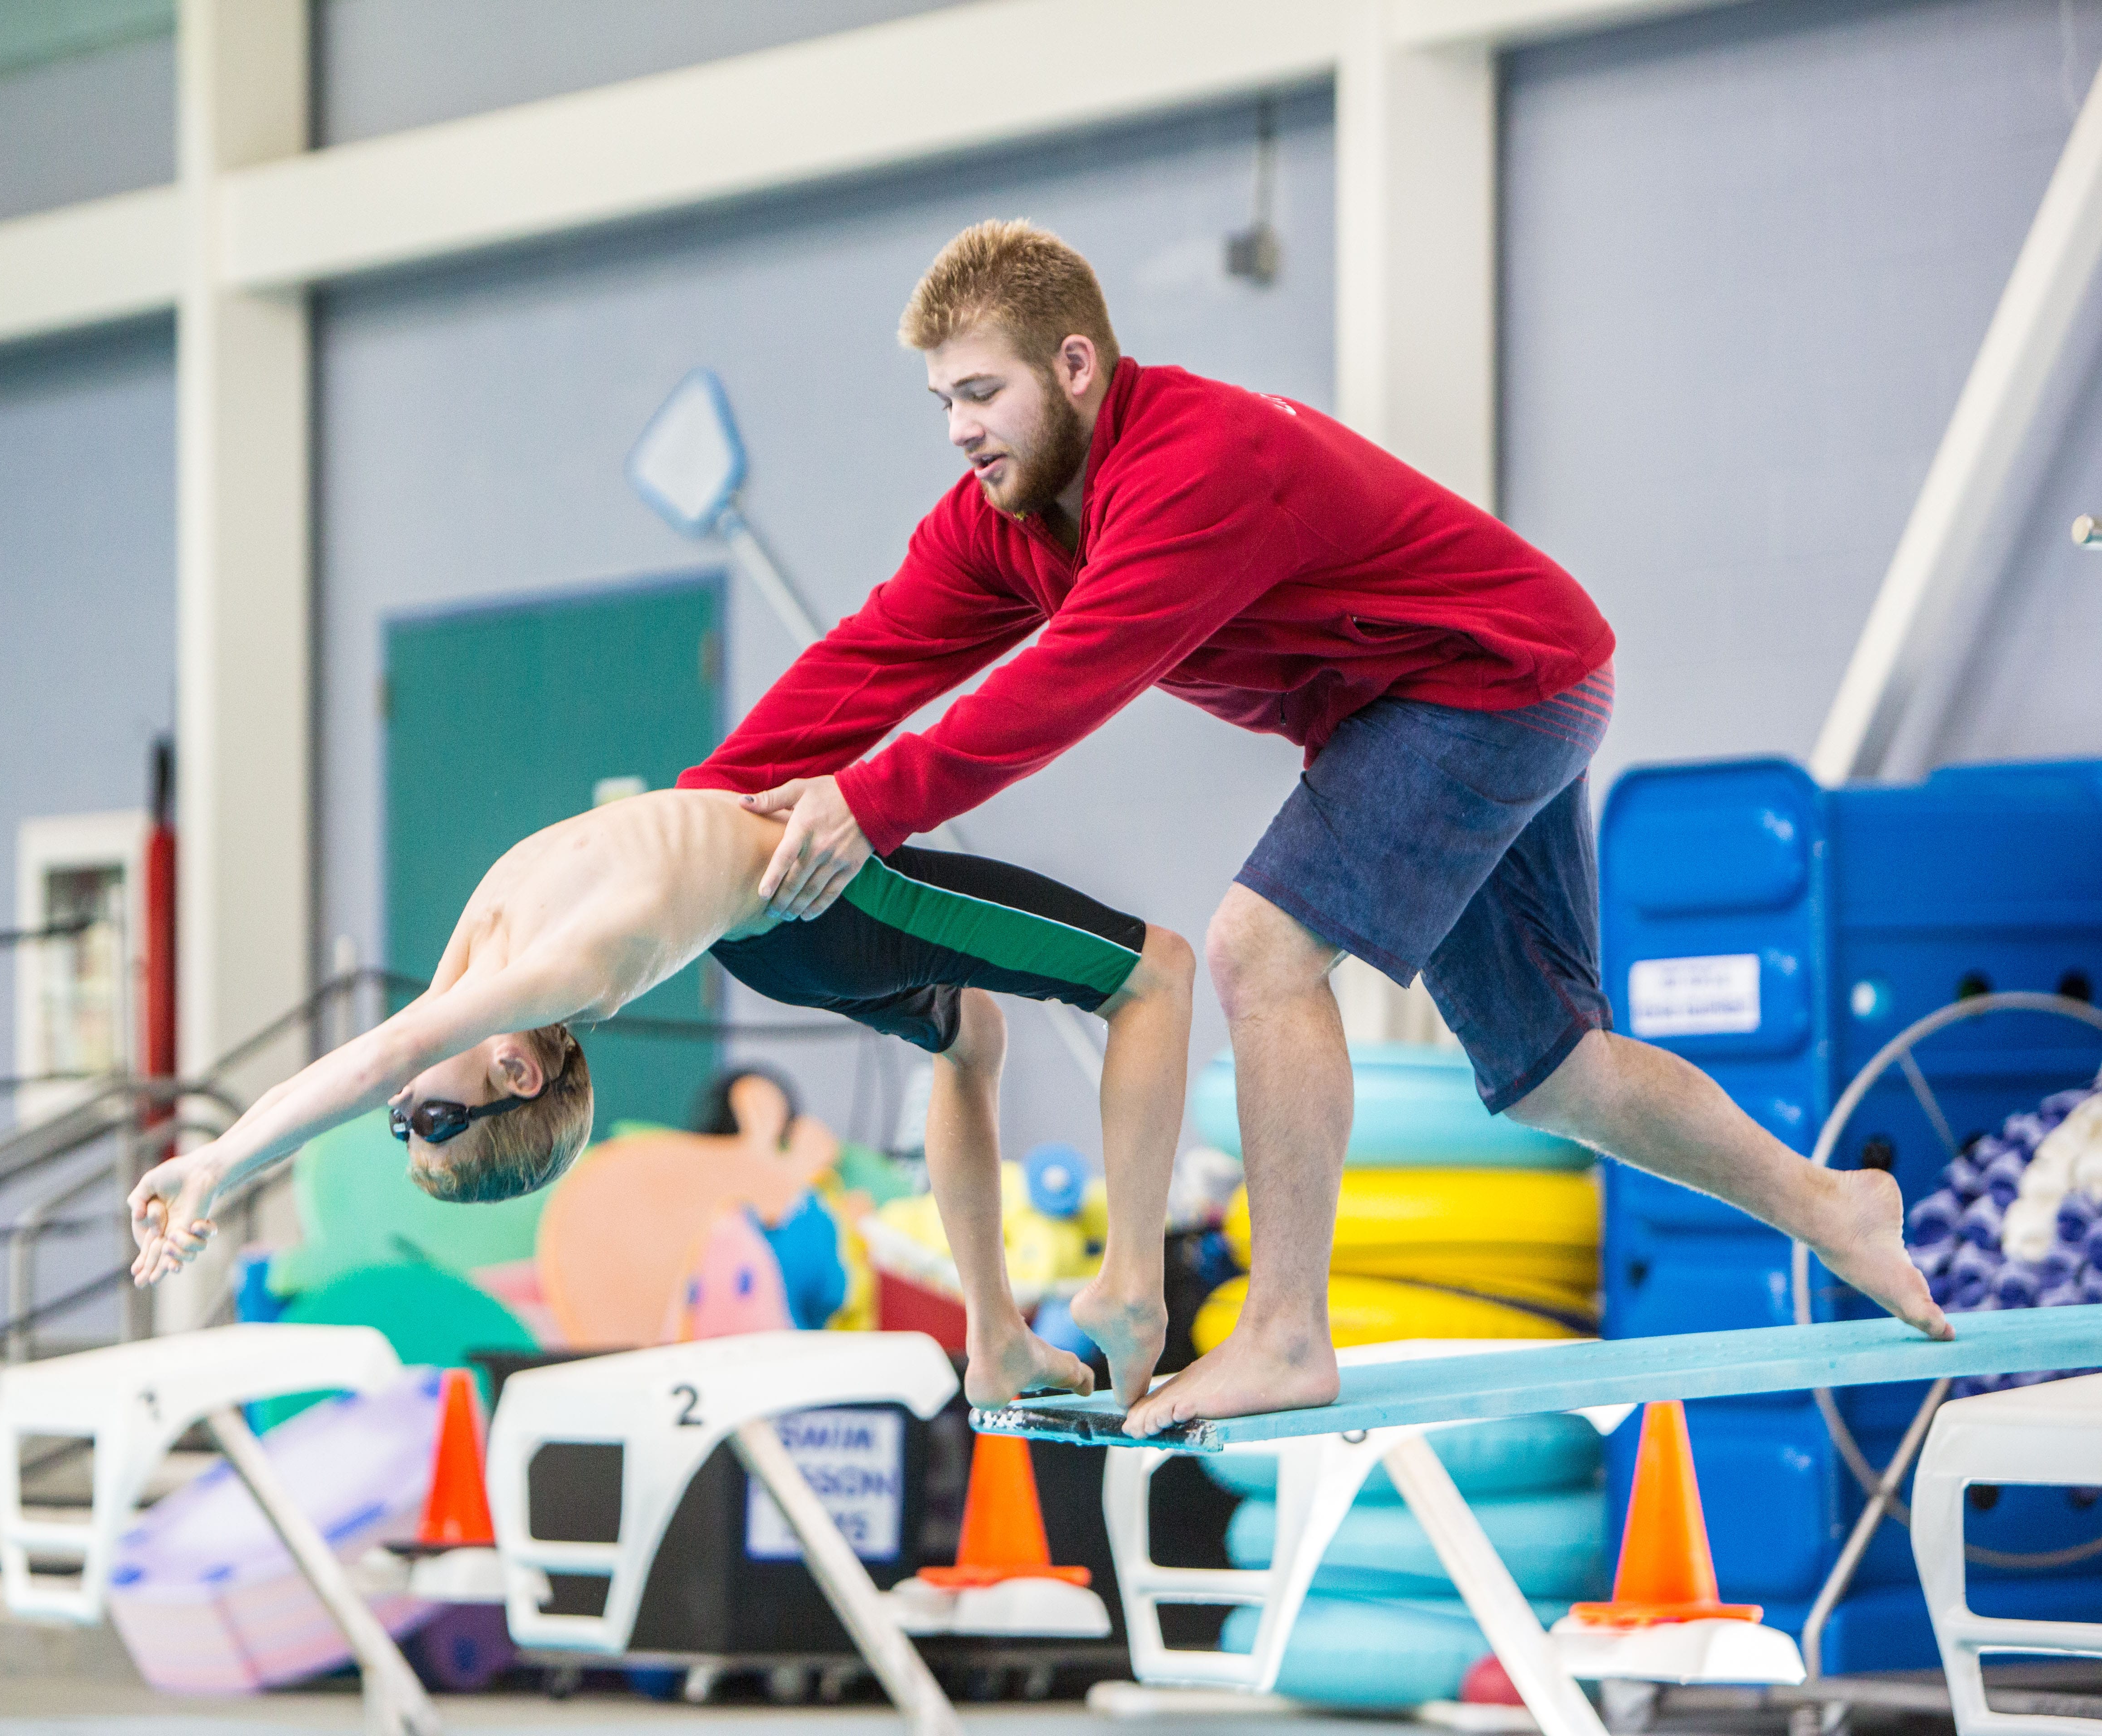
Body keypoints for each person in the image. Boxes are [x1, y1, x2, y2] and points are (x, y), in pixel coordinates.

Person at [677, 218, 1951, 1436]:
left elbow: (1069, 684)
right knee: (1554, 1074)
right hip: (1451, 700)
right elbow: (874, 655)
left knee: (1258, 949)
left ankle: (1286, 1329)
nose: (959, 431)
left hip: (1490, 682)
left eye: (981, 394)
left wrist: (874, 800)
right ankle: (1836, 1207)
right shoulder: (1007, 521)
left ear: (1077, 366)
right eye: (941, 403)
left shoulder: (1192, 470)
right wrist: (694, 819)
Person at [125, 785, 1194, 1408]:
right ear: (515, 1076)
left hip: (767, 938)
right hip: (819, 905)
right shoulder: (561, 974)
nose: (401, 1103)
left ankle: (997, 1340)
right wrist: (217, 1164)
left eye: (408, 1126)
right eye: (428, 1123)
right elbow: (369, 1058)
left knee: (975, 1037)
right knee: (1156, 972)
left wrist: (215, 1161)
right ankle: (1130, 1290)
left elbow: (369, 1060)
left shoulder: (477, 970)